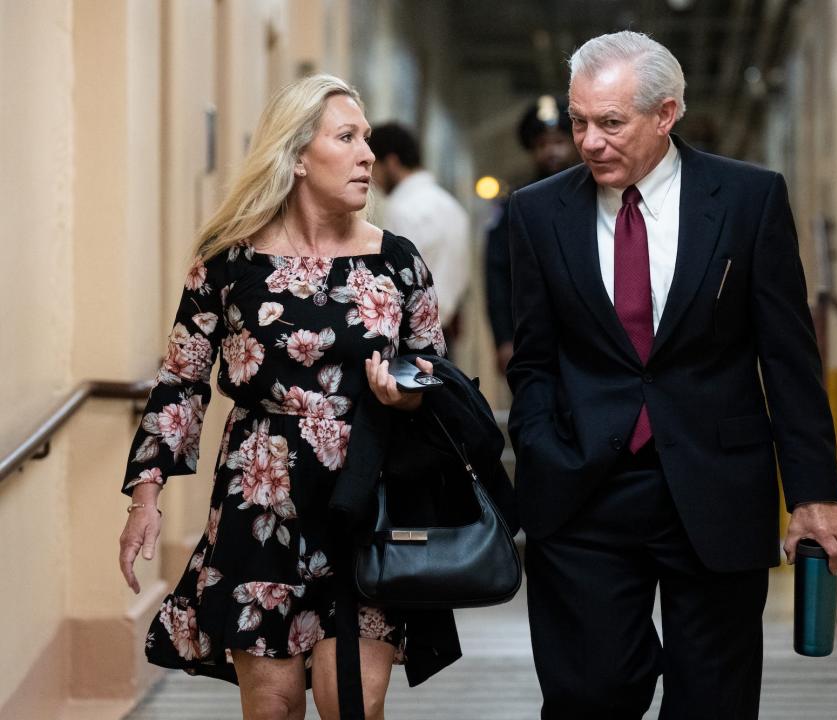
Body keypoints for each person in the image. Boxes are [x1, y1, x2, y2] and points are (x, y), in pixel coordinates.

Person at [506, 31, 837, 719]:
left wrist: (813, 493)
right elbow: (534, 360)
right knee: (592, 692)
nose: (588, 141)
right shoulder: (538, 212)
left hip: (715, 483)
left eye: (611, 123)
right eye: (580, 121)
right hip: (584, 489)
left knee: (713, 700)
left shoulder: (749, 200)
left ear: (666, 114)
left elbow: (788, 358)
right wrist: (542, 443)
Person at [118, 74, 452, 720]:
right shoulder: (228, 263)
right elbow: (182, 379)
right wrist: (146, 496)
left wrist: (410, 398)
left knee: (353, 700)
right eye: (347, 138)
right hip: (259, 502)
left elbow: (434, 375)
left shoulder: (398, 263)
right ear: (298, 156)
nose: (366, 155)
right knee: (271, 705)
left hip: (366, 499)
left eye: (368, 140)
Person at [485, 95, 578, 374]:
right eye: (542, 145)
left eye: (559, 142)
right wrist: (503, 338)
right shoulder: (516, 204)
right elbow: (497, 273)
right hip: (530, 335)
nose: (551, 152)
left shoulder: (597, 196)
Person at [368, 122, 470, 352]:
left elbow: (393, 280)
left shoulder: (401, 209)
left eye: (374, 166)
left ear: (391, 162)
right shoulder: (452, 206)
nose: (372, 178)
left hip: (409, 335)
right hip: (445, 333)